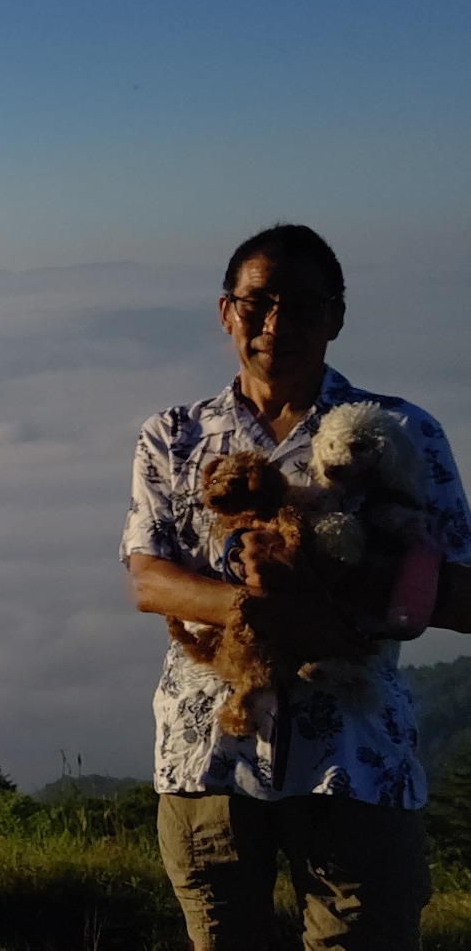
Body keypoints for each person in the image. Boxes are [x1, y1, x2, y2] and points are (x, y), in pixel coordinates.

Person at [121, 223, 471, 950]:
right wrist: (260, 608)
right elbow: (149, 579)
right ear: (227, 312)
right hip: (208, 755)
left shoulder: (397, 432)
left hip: (355, 756)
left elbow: (464, 592)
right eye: (258, 303)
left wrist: (338, 585)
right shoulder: (174, 435)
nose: (277, 325)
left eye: (304, 306)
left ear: (337, 317)